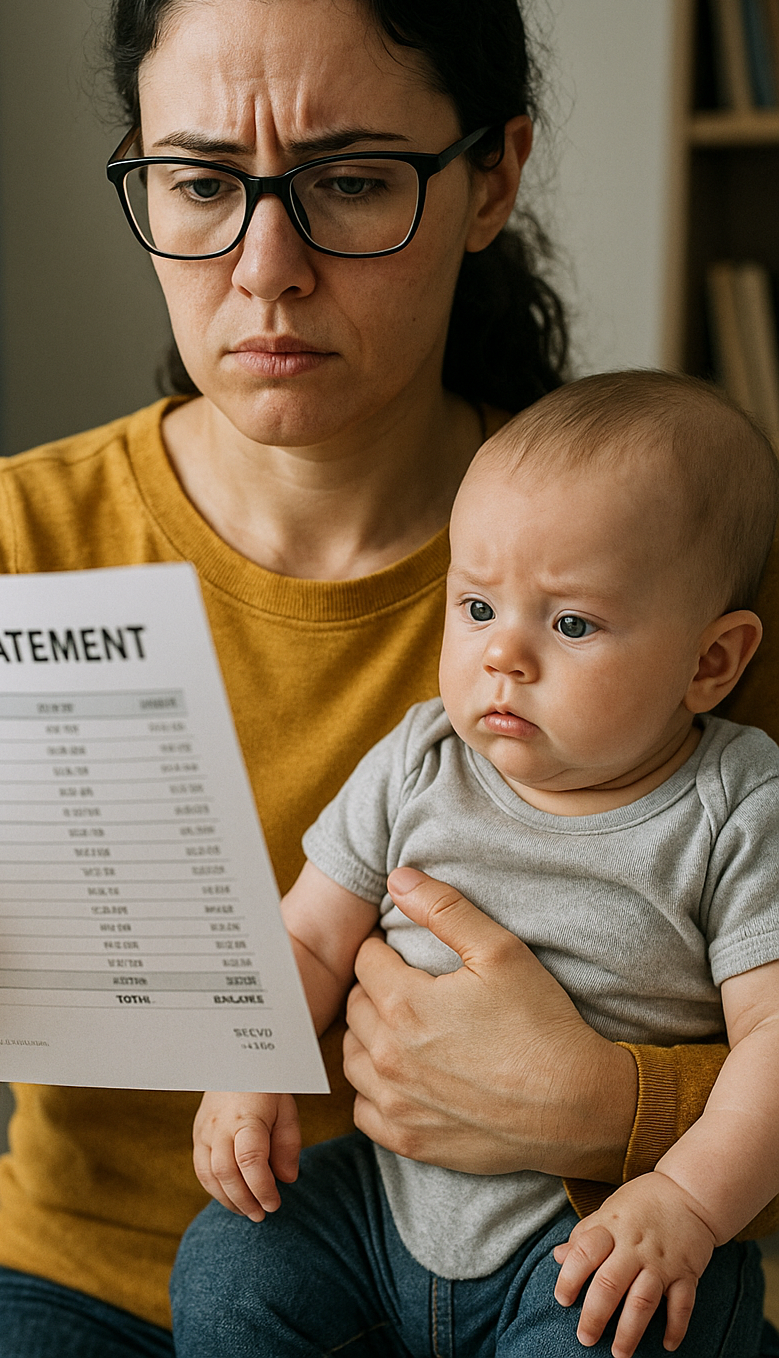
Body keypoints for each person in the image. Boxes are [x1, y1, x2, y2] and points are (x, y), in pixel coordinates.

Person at [0, 0, 778, 1356]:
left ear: (492, 175)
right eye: (199, 184)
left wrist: (604, 1105)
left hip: (554, 1282)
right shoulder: (6, 546)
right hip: (92, 1282)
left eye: (351, 182)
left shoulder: (668, 582)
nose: (267, 267)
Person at [173, 371, 779, 1358]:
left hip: (601, 1230)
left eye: (571, 623)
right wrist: (250, 1063)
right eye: (478, 606)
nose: (504, 656)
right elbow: (309, 936)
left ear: (710, 663)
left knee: (627, 1329)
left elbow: (774, 1041)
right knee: (231, 1268)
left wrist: (687, 1200)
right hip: (383, 1204)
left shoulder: (738, 807)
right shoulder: (418, 758)